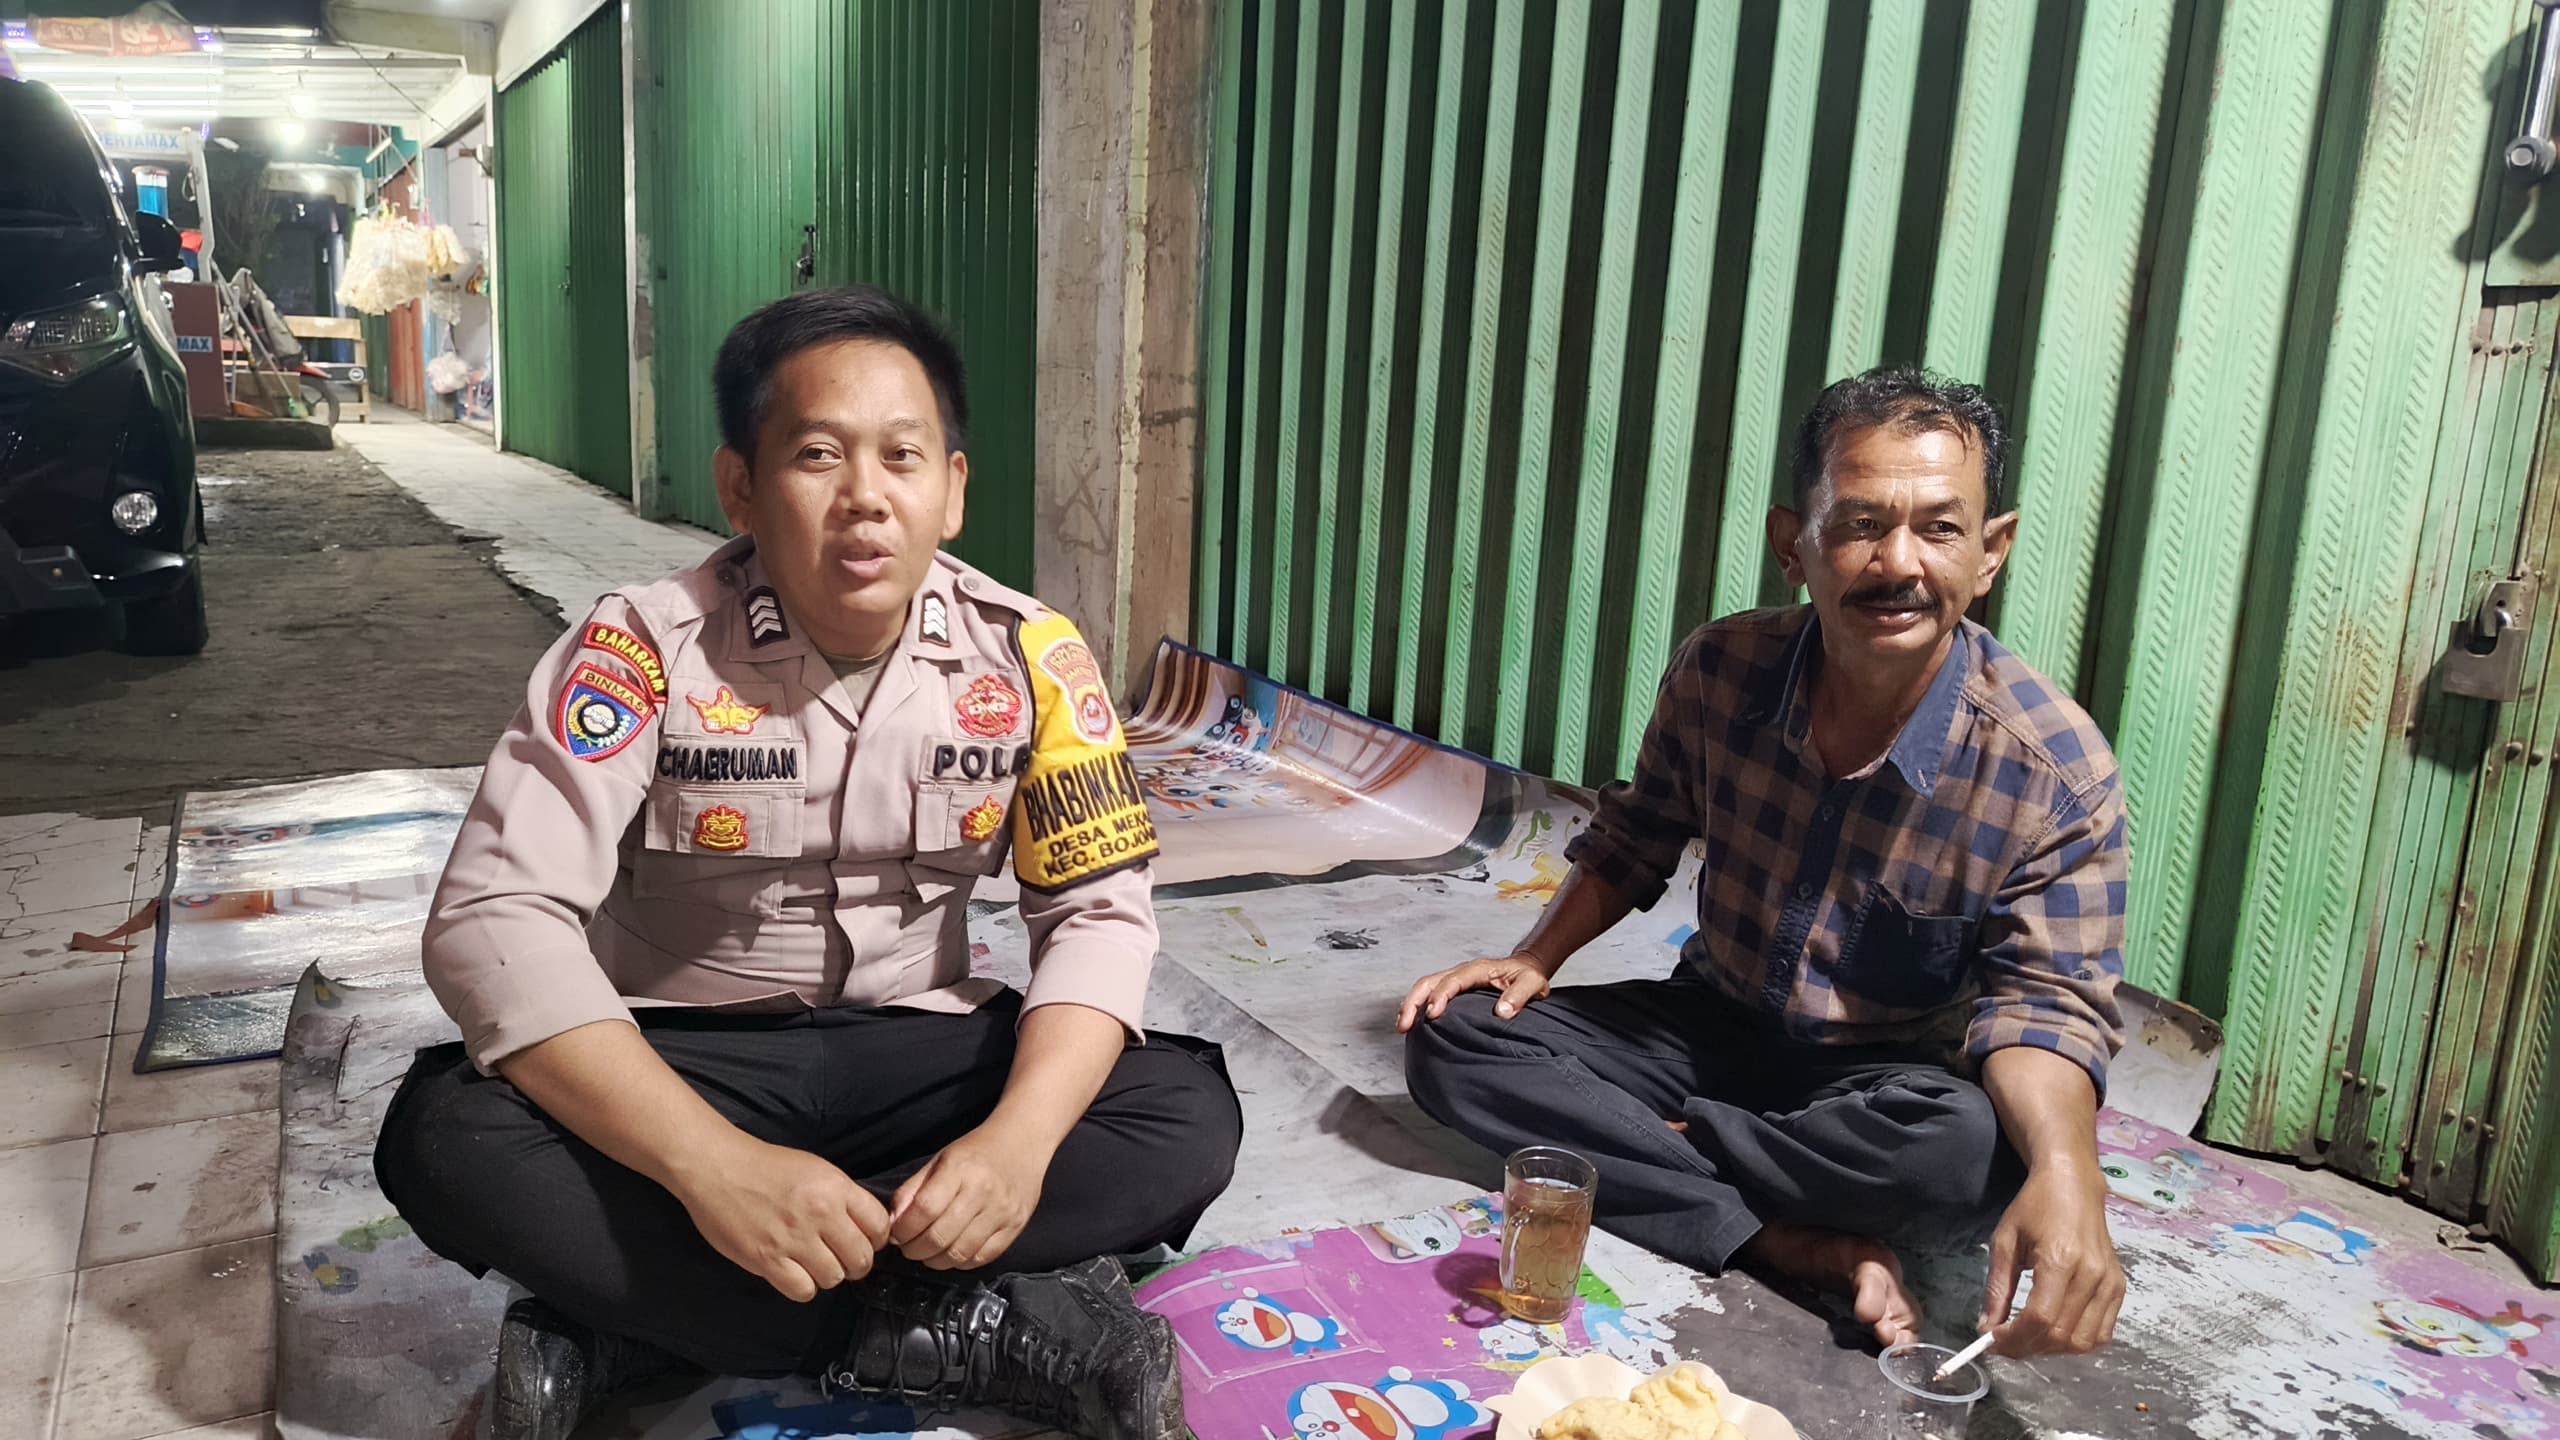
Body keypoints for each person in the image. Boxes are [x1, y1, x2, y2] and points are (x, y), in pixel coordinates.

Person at [373, 285, 1242, 1440]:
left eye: (903, 456)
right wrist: (712, 1168)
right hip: (685, 1054)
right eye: (818, 455)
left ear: (953, 490)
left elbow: (1098, 915)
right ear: (741, 485)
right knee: (448, 1138)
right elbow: (494, 917)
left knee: (1181, 1111)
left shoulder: (1033, 657)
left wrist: (1014, 1148)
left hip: (918, 1049)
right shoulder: (639, 648)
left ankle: (653, 1319)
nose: (865, 496)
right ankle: (964, 1327)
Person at [1399, 368, 2128, 1358]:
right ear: (1794, 544)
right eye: (1860, 524)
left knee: (1969, 1153)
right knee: (1454, 1032)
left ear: (1990, 551)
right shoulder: (1722, 668)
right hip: (1708, 1026)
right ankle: (1780, 1235)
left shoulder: (2054, 770)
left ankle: (1657, 1151)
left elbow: (2046, 1008)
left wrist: (2072, 1175)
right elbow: (1638, 833)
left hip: (1879, 1084)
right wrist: (1534, 960)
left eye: (1940, 529)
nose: (1899, 563)